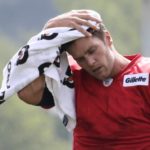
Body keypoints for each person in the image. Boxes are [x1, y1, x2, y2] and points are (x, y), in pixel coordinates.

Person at [8, 10, 150, 149]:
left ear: (107, 38)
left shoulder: (145, 72)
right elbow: (26, 91)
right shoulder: (71, 78)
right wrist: (45, 36)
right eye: (80, 58)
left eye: (92, 50)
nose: (90, 62)